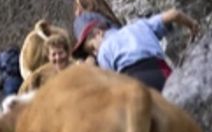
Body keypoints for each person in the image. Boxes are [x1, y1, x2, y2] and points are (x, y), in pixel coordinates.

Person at [72, 7, 200, 91]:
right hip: (162, 71)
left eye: (92, 48)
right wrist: (192, 26)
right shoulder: (139, 25)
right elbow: (174, 14)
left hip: (135, 85)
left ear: (98, 33)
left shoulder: (104, 50)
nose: (95, 53)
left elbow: (112, 83)